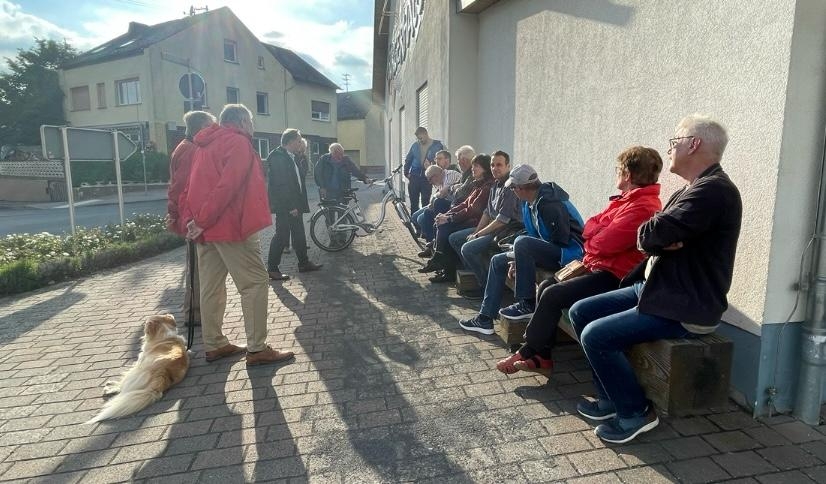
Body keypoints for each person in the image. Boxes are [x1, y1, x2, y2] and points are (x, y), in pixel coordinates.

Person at [568, 115, 742, 444]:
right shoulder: (690, 191)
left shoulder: (713, 192)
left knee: (595, 335)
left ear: (694, 144)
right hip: (658, 288)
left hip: (685, 305)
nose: (671, 149)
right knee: (580, 311)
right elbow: (651, 234)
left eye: (675, 142)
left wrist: (658, 234)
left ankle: (635, 412)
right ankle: (610, 398)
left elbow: (653, 232)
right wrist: (659, 235)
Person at [493, 147, 662, 375]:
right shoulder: (623, 201)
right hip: (595, 265)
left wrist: (595, 240)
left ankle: (529, 350)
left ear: (627, 174)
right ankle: (542, 357)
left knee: (553, 295)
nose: (616, 173)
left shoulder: (642, 206)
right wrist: (596, 238)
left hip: (614, 277)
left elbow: (602, 242)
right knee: (546, 286)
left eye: (618, 169)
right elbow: (591, 226)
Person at [183, 104, 295, 366]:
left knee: (211, 287)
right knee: (255, 282)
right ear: (243, 121)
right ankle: (257, 349)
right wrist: (202, 220)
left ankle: (215, 344)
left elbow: (193, 186)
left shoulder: (203, 144)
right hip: (231, 226)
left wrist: (195, 220)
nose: (253, 128)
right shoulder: (238, 143)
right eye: (252, 122)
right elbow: (228, 186)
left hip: (206, 229)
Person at [459, 164, 585, 335]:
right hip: (550, 250)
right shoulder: (529, 202)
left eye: (513, 187)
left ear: (522, 188)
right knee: (498, 260)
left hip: (569, 255)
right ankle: (485, 318)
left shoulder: (549, 203)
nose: (512, 191)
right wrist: (518, 258)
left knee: (522, 242)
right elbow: (535, 237)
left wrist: (523, 256)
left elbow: (561, 240)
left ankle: (527, 303)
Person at [449, 150, 522, 295]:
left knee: (467, 249)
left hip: (504, 233)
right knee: (455, 238)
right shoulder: (495, 185)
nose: (495, 168)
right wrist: (476, 231)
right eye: (493, 165)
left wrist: (478, 235)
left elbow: (502, 220)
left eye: (499, 165)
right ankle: (475, 276)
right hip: (492, 229)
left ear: (508, 166)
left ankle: (485, 286)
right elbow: (487, 212)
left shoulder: (509, 187)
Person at [167, 110, 216, 326]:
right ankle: (194, 315)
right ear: (202, 127)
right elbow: (183, 189)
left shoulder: (186, 147)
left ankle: (195, 313)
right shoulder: (191, 150)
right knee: (197, 269)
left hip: (191, 219)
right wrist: (186, 220)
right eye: (211, 126)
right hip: (193, 221)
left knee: (198, 267)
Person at [419, 154, 494, 283]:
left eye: (476, 166)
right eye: (473, 165)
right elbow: (464, 204)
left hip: (476, 223)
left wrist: (449, 219)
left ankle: (443, 263)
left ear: (485, 169)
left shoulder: (486, 187)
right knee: (441, 223)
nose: (473, 168)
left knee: (449, 231)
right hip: (469, 219)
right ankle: (443, 264)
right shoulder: (478, 184)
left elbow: (473, 210)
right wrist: (447, 215)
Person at [266, 128, 323, 280]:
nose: (300, 143)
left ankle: (304, 263)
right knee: (281, 236)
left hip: (295, 204)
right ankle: (272, 268)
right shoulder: (278, 157)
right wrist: (291, 206)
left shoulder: (291, 156)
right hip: (286, 206)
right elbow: (281, 184)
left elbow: (296, 180)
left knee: (298, 234)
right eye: (298, 141)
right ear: (290, 141)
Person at [413, 161, 461, 257]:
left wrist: (434, 199)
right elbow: (438, 195)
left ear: (436, 175)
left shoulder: (449, 175)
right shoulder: (440, 179)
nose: (430, 182)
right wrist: (434, 199)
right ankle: (431, 245)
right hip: (445, 204)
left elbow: (442, 193)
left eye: (430, 179)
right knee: (415, 217)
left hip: (454, 206)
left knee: (425, 215)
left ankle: (434, 246)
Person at [403, 127, 445, 213]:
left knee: (425, 203)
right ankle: (414, 225)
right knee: (414, 203)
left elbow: (441, 162)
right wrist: (406, 173)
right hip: (414, 177)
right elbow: (408, 159)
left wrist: (431, 166)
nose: (420, 140)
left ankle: (423, 224)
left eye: (421, 138)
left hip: (427, 178)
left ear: (426, 134)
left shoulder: (437, 146)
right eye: (418, 139)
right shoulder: (415, 145)